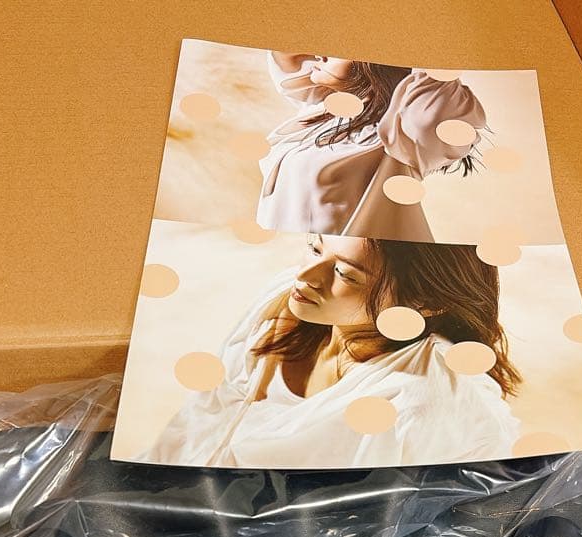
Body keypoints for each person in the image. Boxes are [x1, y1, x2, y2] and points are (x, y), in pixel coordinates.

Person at [141, 234, 522, 469]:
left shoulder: (424, 404)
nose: (306, 276)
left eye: (344, 273)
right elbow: (201, 421)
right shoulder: (282, 302)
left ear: (425, 302)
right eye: (314, 247)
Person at [256, 53, 488, 241]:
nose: (320, 54)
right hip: (288, 257)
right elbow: (287, 53)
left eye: (340, 47)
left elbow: (437, 102)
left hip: (360, 269)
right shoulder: (324, 113)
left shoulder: (401, 134)